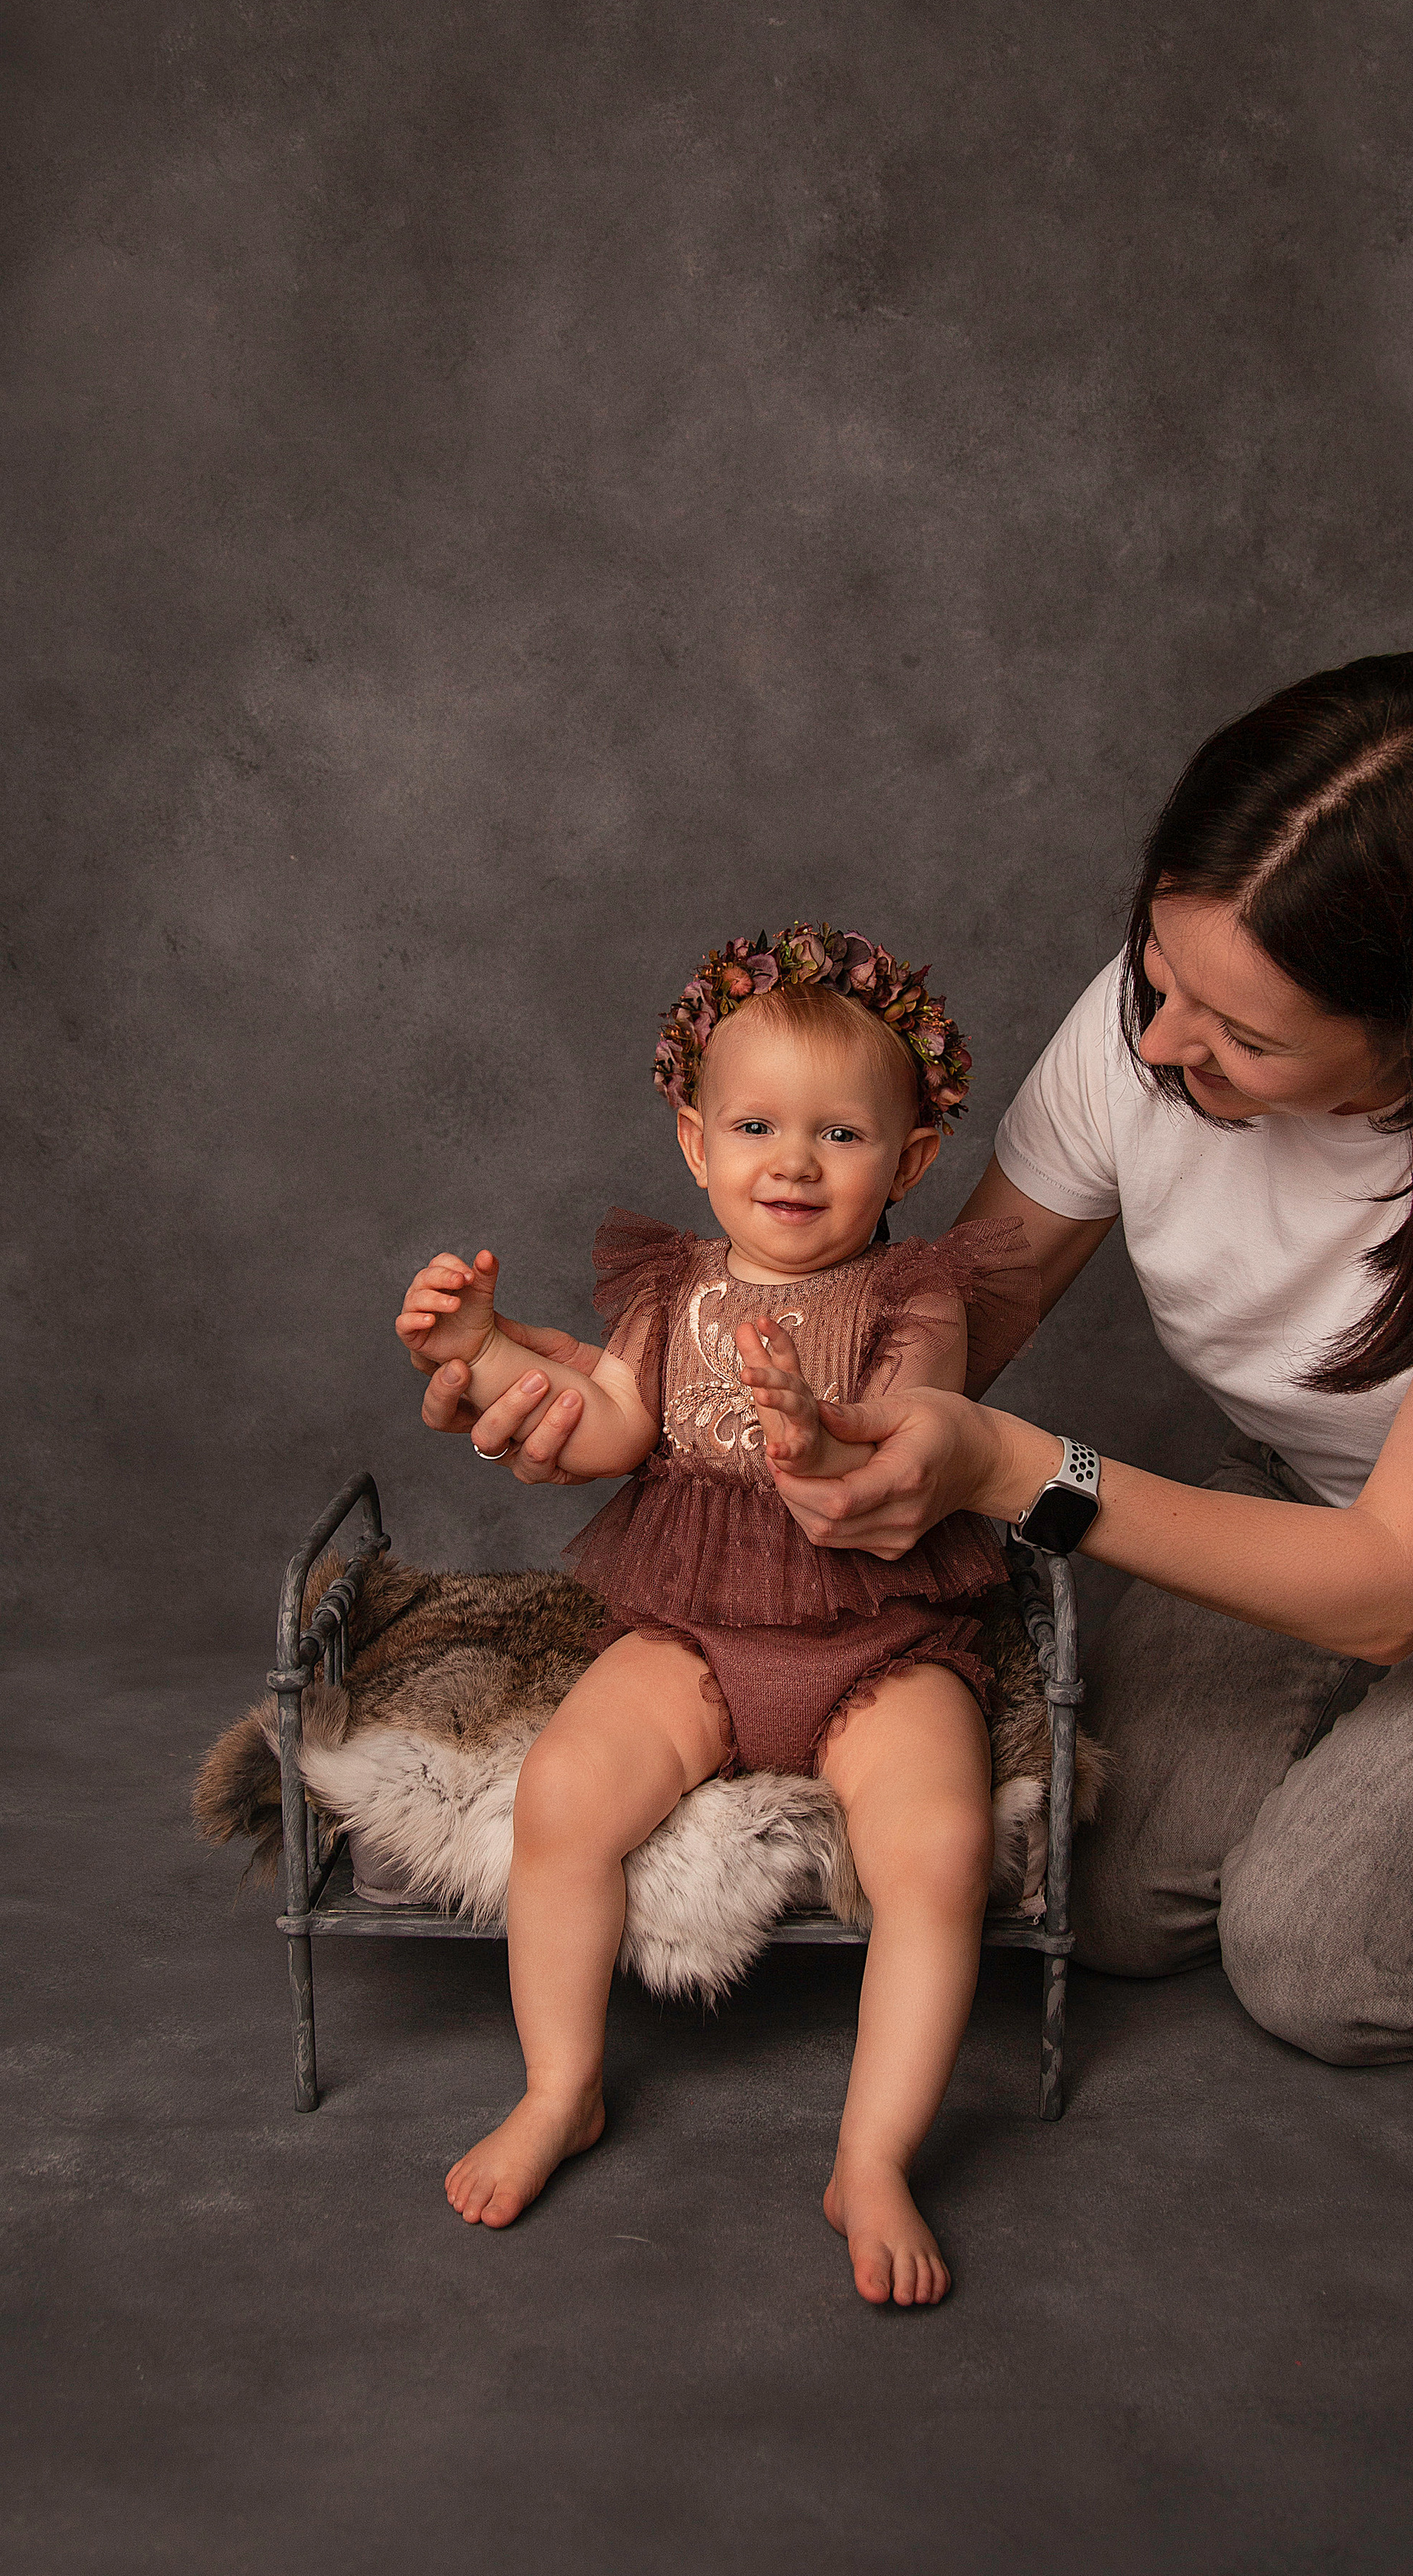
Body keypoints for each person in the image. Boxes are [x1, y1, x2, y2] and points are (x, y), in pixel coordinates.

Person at [426, 654, 1413, 2069]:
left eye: (1245, 1038)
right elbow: (942, 1338)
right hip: (1296, 1494)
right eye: (1159, 969)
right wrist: (646, 1400)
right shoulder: (1157, 1009)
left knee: (1329, 1963)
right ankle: (1403, 1776)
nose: (1165, 1042)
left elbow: (1392, 1583)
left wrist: (1011, 1470)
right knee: (1109, 1895)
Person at [396, 921, 1034, 2301]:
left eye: (840, 1134)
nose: (792, 1162)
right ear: (696, 1143)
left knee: (940, 1848)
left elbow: (905, 1439)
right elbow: (605, 1431)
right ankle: (561, 2087)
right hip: (695, 1637)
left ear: (911, 1160)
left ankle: (873, 2154)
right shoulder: (673, 1288)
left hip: (878, 1645)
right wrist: (485, 1352)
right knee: (563, 1796)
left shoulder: (916, 1297)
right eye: (755, 1126)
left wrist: (816, 1430)